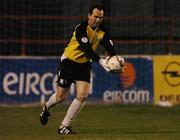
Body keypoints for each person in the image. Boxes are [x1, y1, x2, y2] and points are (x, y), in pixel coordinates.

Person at [40, 4, 123, 134]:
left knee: (82, 95)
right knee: (61, 97)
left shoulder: (103, 30)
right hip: (69, 62)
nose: (98, 20)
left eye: (100, 17)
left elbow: (109, 46)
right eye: (95, 16)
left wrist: (116, 59)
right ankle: (47, 107)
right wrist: (101, 61)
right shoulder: (81, 29)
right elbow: (87, 49)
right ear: (89, 16)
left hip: (84, 65)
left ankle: (64, 126)